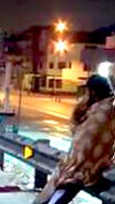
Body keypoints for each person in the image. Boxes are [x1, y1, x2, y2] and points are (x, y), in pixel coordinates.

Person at [34, 74, 115, 204]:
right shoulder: (98, 109)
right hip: (77, 167)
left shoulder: (104, 113)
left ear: (93, 92)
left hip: (81, 169)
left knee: (56, 196)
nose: (85, 94)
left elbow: (86, 142)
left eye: (87, 91)